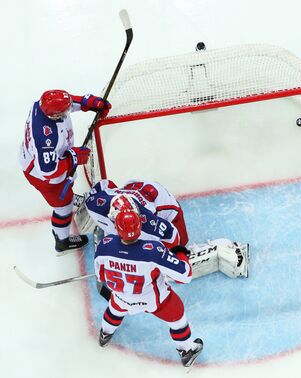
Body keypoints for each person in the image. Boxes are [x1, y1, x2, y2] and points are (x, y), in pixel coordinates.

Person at [94, 207, 203, 368]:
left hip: (121, 297)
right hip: (154, 301)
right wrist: (180, 253)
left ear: (117, 228)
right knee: (177, 316)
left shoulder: (104, 245)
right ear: (139, 227)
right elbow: (185, 275)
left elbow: (101, 276)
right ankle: (187, 351)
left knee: (114, 309)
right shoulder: (153, 250)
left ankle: (105, 334)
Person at [79, 179, 249, 279]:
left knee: (167, 268)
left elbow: (172, 235)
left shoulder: (149, 221)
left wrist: (173, 254)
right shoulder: (96, 203)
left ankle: (224, 250)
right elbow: (105, 184)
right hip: (137, 188)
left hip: (169, 211)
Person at [19, 89, 111, 253]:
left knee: (67, 184)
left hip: (38, 159)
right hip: (42, 176)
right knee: (63, 206)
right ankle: (62, 241)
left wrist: (86, 102)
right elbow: (48, 171)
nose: (69, 110)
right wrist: (73, 157)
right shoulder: (46, 137)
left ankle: (69, 197)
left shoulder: (41, 105)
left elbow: (66, 103)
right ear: (54, 115)